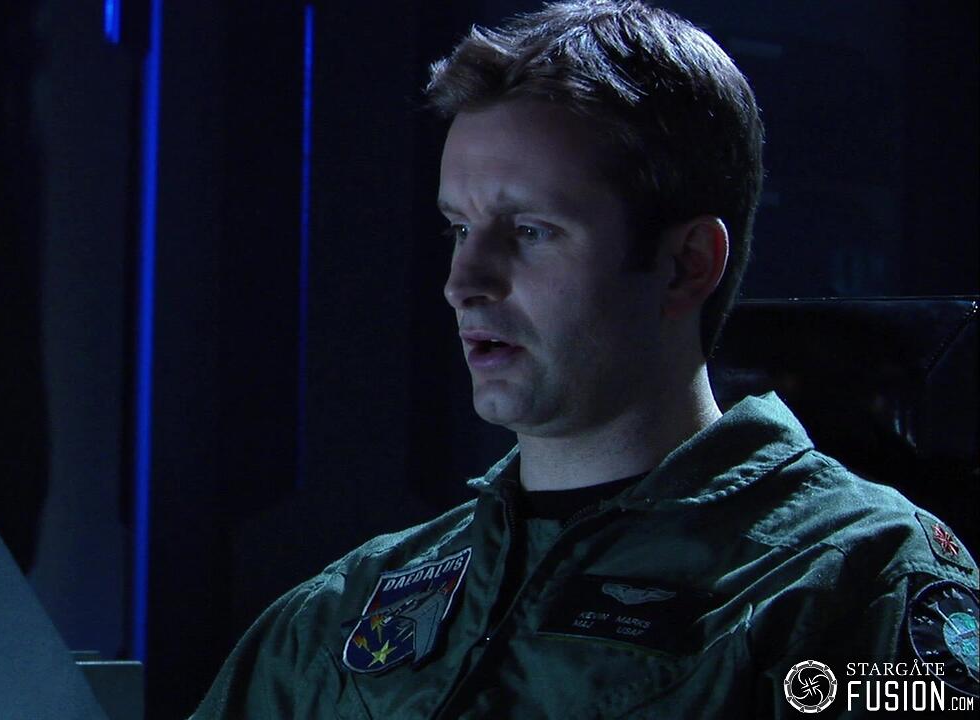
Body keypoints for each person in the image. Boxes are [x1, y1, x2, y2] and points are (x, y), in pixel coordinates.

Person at [192, 1, 979, 716]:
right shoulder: (340, 612)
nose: (463, 283)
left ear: (686, 265)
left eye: (530, 231)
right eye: (459, 229)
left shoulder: (852, 582)